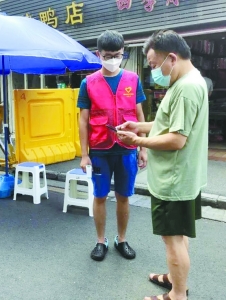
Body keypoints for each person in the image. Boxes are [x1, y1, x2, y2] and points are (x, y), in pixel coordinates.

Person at [116, 29, 208, 300]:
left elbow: (176, 139)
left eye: (154, 65)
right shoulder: (189, 80)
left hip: (174, 179)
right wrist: (139, 126)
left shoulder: (186, 88)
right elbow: (168, 125)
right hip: (183, 176)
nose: (153, 70)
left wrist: (137, 141)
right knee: (178, 235)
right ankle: (174, 278)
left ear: (171, 58)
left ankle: (177, 294)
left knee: (172, 239)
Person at [77, 30, 147, 262]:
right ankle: (100, 241)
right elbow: (83, 120)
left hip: (127, 148)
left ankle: (122, 239)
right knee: (99, 196)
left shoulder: (133, 79)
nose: (113, 59)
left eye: (117, 54)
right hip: (100, 149)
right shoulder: (88, 83)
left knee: (124, 196)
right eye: (108, 55)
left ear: (123, 53)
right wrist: (84, 155)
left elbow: (139, 114)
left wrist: (143, 147)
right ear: (99, 55)